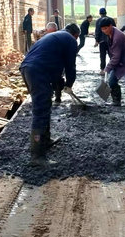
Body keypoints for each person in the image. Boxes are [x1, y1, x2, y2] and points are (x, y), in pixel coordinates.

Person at [19, 23, 80, 166]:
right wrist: (69, 84)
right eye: (77, 38)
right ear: (75, 35)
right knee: (40, 111)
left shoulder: (54, 37)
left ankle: (45, 140)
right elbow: (70, 67)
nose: (76, 41)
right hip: (37, 72)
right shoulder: (70, 40)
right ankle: (37, 156)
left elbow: (54, 64)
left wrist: (60, 83)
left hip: (28, 69)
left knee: (45, 105)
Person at [99, 17, 125, 111]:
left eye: (106, 28)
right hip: (119, 61)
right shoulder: (109, 34)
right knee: (112, 81)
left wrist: (107, 68)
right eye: (102, 29)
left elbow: (116, 57)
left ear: (110, 26)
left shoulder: (117, 37)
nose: (104, 31)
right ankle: (116, 102)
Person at [94, 8, 115, 72]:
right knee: (111, 54)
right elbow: (114, 29)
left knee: (102, 55)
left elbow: (97, 31)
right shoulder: (111, 19)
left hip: (102, 41)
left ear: (100, 13)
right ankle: (113, 68)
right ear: (106, 12)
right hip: (110, 40)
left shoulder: (98, 21)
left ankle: (102, 69)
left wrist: (97, 41)